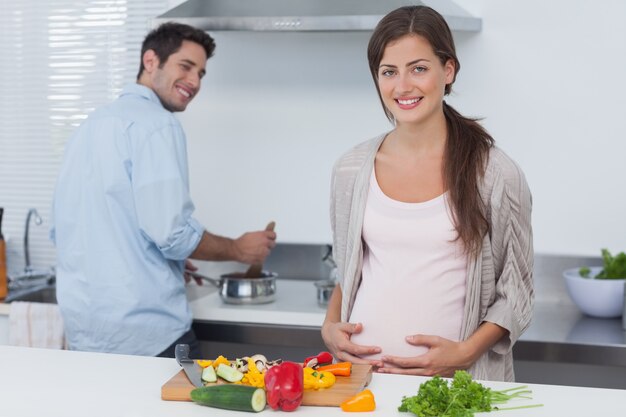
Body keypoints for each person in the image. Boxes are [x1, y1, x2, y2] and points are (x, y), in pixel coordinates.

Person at [321, 6, 533, 382]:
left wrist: (464, 354)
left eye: (418, 68)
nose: (402, 86)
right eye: (389, 72)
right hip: (365, 384)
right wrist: (329, 325)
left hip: (456, 388)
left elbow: (515, 292)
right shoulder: (350, 169)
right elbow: (348, 267)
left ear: (447, 70)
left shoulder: (495, 173)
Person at [51, 22, 276, 358]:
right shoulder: (157, 124)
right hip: (148, 335)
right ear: (151, 61)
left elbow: (69, 230)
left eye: (201, 73)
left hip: (86, 333)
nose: (195, 82)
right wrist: (239, 250)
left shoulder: (90, 125)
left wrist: (152, 260)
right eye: (185, 67)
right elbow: (172, 235)